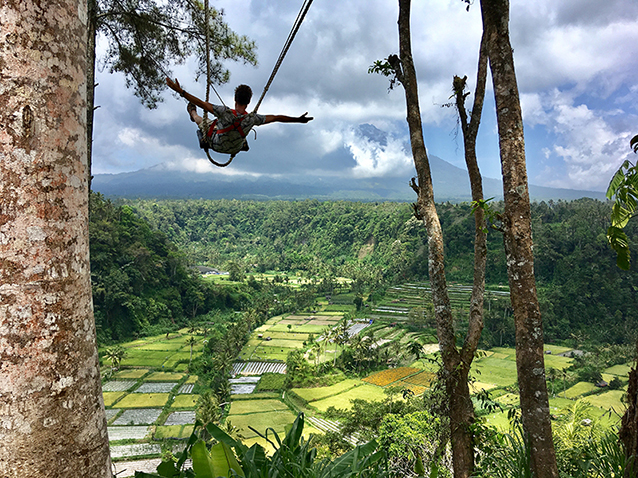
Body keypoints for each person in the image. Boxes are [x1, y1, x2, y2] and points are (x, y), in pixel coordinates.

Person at [166, 78, 313, 156]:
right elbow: (276, 117)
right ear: (249, 102)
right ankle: (241, 141)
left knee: (203, 121)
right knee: (240, 131)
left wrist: (181, 92)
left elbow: (201, 103)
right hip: (234, 148)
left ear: (235, 99)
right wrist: (298, 120)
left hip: (216, 145)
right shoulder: (252, 118)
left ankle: (192, 113)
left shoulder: (224, 112)